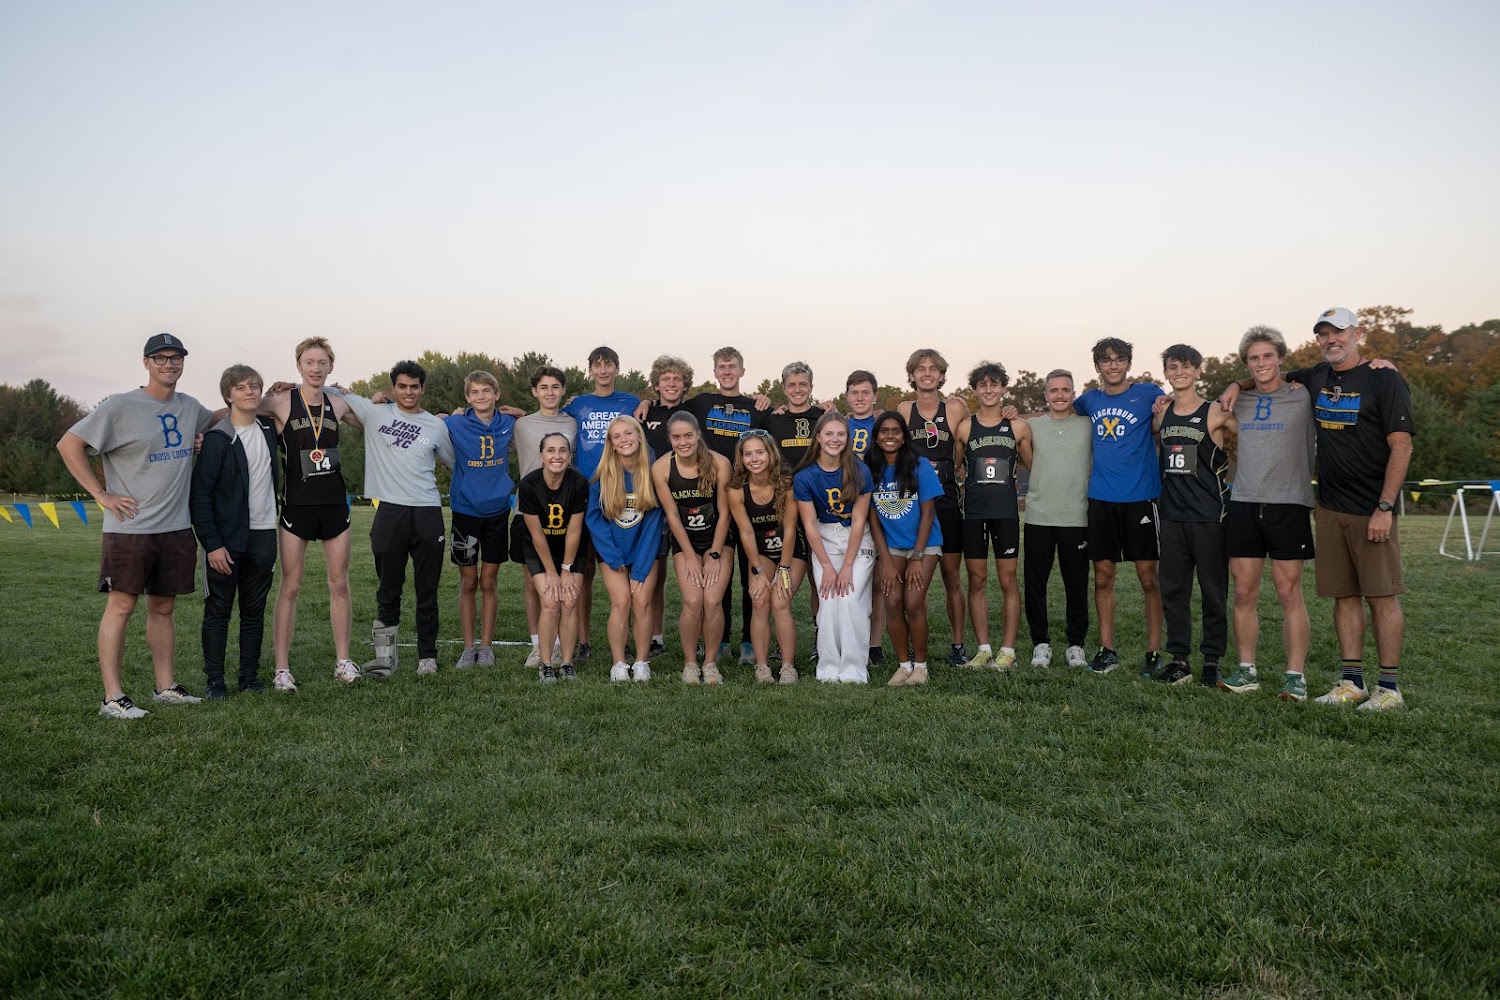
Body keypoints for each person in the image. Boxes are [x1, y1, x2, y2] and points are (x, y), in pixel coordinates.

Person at [1226, 307, 1415, 710]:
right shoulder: (1315, 377)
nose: (1332, 340)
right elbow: (1264, 374)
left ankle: (1389, 688)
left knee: (1382, 596)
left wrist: (1385, 506)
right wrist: (1234, 383)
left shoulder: (1383, 378)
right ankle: (1352, 682)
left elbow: (1402, 445)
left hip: (1371, 505)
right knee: (1343, 595)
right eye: (1324, 334)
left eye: (1339, 332)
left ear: (1357, 333)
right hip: (1328, 505)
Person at [57, 333, 215, 718]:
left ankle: (165, 687)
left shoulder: (189, 406)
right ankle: (112, 697)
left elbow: (224, 415)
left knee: (163, 607)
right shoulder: (120, 406)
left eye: (176, 358)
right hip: (130, 528)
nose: (169, 364)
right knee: (121, 607)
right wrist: (100, 493)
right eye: (160, 358)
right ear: (146, 363)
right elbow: (68, 444)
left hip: (176, 527)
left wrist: (274, 395)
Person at [330, 361, 455, 679]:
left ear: (422, 389)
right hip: (390, 513)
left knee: (427, 590)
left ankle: (428, 657)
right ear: (393, 388)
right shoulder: (375, 412)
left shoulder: (436, 426)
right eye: (402, 386)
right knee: (388, 590)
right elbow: (328, 392)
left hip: (427, 511)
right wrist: (289, 387)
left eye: (414, 387)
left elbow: (456, 463)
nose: (408, 392)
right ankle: (384, 659)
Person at [1218, 327, 1317, 701]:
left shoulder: (1303, 395)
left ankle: (1295, 676)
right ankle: (1246, 670)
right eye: (1253, 358)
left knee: (1288, 590)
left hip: (1289, 503)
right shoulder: (1237, 399)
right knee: (1244, 590)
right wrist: (1234, 384)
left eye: (1267, 356)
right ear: (1247, 363)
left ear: (1280, 358)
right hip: (1243, 501)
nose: (1261, 363)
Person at [259, 336, 359, 691]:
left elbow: (374, 422)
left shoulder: (339, 403)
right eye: (309, 362)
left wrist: (355, 395)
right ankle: (282, 669)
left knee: (340, 585)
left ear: (331, 366)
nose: (316, 368)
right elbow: (241, 406)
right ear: (299, 366)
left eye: (322, 363)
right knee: (290, 587)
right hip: (296, 507)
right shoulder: (281, 400)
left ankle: (343, 662)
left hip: (334, 506)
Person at [1073, 337, 1166, 676]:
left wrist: (1166, 405)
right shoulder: (1089, 400)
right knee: (1103, 577)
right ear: (1097, 366)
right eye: (1106, 360)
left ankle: (1154, 652)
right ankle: (1107, 649)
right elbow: (1060, 411)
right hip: (1101, 500)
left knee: (1148, 578)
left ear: (1128, 362)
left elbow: (1172, 409)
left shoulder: (1149, 393)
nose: (1113, 365)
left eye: (1119, 359)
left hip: (1141, 498)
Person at [190, 364, 280, 698]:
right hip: (226, 540)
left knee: (254, 612)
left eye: (254, 386)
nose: (249, 392)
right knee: (218, 611)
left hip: (263, 534)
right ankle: (215, 681)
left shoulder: (269, 429)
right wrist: (212, 544)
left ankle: (249, 677)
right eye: (241, 387)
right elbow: (200, 496)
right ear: (228, 395)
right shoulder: (218, 439)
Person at [1149, 345, 1232, 686]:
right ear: (1166, 373)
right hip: (1172, 516)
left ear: (1198, 371)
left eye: (1186, 366)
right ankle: (1179, 659)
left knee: (1213, 592)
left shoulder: (1216, 412)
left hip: (1210, 516)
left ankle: (1212, 661)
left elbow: (1247, 442)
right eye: (1173, 367)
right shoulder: (1162, 415)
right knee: (1174, 591)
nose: (1179, 372)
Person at [954, 361, 1033, 670]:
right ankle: (984, 649)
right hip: (973, 513)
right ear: (975, 390)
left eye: (994, 384)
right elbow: (955, 466)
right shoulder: (965, 427)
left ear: (1003, 388)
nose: (988, 390)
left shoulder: (1018, 426)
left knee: (1008, 580)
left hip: (1006, 513)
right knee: (977, 579)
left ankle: (1008, 651)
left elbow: (1032, 465)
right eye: (982, 385)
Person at [564, 347, 641, 663]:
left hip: (622, 493)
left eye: (608, 364)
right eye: (597, 365)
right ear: (590, 370)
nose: (603, 370)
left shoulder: (631, 402)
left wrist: (648, 402)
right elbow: (549, 411)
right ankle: (584, 641)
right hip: (587, 492)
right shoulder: (578, 404)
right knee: (584, 570)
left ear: (617, 368)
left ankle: (631, 638)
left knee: (627, 566)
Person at [897, 349, 970, 668]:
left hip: (947, 501)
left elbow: (972, 435)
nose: (927, 373)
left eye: (933, 368)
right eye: (920, 368)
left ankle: (958, 645)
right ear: (912, 375)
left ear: (941, 375)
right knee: (916, 580)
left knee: (952, 576)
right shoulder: (904, 409)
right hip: (915, 504)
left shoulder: (954, 408)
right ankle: (916, 646)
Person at [794, 411, 876, 683]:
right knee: (828, 599)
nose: (835, 439)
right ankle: (828, 666)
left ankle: (853, 667)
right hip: (825, 537)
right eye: (829, 433)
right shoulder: (805, 476)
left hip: (856, 537)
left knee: (851, 598)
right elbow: (809, 525)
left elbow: (859, 520)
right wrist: (828, 567)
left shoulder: (860, 470)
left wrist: (848, 565)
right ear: (818, 438)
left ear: (848, 438)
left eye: (841, 434)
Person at [652, 411, 733, 685]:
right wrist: (689, 555)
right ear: (669, 439)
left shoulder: (720, 463)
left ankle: (709, 663)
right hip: (685, 541)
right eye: (676, 437)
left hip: (718, 539)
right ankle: (690, 663)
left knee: (712, 601)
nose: (683, 442)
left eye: (688, 435)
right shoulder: (661, 468)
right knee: (693, 601)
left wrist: (714, 554)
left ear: (698, 435)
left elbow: (725, 513)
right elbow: (673, 516)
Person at [443, 371, 517, 669]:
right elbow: (426, 422)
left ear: (497, 394)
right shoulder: (456, 423)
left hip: (497, 511)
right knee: (468, 580)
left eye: (487, 390)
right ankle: (468, 647)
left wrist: (521, 412)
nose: (481, 396)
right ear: (467, 397)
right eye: (475, 392)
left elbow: (533, 420)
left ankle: (486, 647)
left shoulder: (509, 422)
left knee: (488, 580)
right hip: (466, 511)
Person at [864, 411, 942, 686]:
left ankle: (921, 668)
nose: (890, 436)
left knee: (913, 602)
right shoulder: (869, 468)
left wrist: (917, 556)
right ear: (876, 437)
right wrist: (885, 560)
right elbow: (873, 520)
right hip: (892, 546)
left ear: (904, 436)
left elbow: (928, 513)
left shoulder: (920, 465)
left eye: (896, 431)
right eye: (884, 431)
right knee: (892, 602)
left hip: (924, 544)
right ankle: (903, 666)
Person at [586, 415, 664, 683]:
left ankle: (641, 662)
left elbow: (654, 524)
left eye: (629, 433)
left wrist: (640, 568)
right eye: (617, 436)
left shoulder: (652, 474)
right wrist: (612, 556)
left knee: (642, 601)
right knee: (621, 602)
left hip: (645, 550)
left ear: (639, 436)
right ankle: (618, 663)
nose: (624, 440)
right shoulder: (602, 476)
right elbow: (594, 519)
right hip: (613, 553)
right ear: (611, 444)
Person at [1023, 369, 1092, 669]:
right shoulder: (1032, 426)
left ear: (1073, 394)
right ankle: (1041, 643)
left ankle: (1076, 645)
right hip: (1039, 515)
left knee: (1076, 585)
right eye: (1054, 390)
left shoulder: (1088, 424)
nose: (1060, 395)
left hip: (1076, 516)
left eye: (1065, 390)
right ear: (1045, 394)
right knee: (1035, 584)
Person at [512, 365, 579, 669]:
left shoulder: (572, 422)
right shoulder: (521, 424)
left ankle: (563, 645)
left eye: (555, 387)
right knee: (533, 582)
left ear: (563, 391)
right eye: (543, 387)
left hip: (564, 511)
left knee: (566, 583)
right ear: (534, 392)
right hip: (527, 511)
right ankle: (538, 645)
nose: (550, 392)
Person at [727, 428, 806, 684]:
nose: (754, 459)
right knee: (759, 600)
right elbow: (746, 532)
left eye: (759, 452)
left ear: (770, 454)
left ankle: (787, 667)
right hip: (761, 552)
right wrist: (758, 571)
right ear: (741, 458)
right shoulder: (736, 490)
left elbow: (790, 528)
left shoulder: (787, 483)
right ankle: (762, 667)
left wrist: (783, 569)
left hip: (790, 551)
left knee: (780, 601)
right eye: (748, 454)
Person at [517, 432, 589, 683]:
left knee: (569, 601)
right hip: (539, 548)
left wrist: (566, 569)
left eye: (562, 450)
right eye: (550, 450)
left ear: (570, 455)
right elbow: (536, 533)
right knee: (549, 602)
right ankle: (545, 663)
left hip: (571, 547)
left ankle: (567, 663)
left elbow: (575, 529)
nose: (556, 456)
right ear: (541, 455)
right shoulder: (528, 485)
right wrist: (551, 571)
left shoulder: (579, 483)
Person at [641, 355, 694, 662]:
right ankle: (655, 636)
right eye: (666, 379)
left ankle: (701, 635)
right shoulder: (644, 413)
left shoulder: (694, 411)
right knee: (655, 573)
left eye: (677, 379)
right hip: (653, 504)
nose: (672, 383)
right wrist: (646, 402)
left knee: (695, 570)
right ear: (657, 384)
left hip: (690, 502)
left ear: (685, 384)